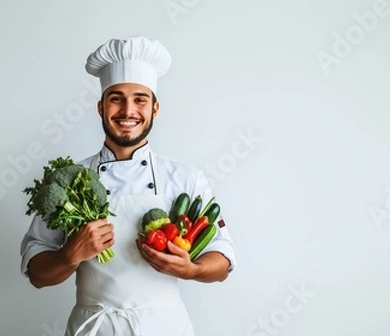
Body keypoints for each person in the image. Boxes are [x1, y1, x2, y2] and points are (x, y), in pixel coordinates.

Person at [19, 36, 237, 336]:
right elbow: (36, 274)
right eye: (116, 98)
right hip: (94, 327)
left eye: (140, 99)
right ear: (100, 107)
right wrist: (71, 254)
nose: (127, 110)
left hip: (164, 327)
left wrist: (192, 269)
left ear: (155, 109)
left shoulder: (186, 178)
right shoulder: (70, 179)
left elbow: (222, 261)